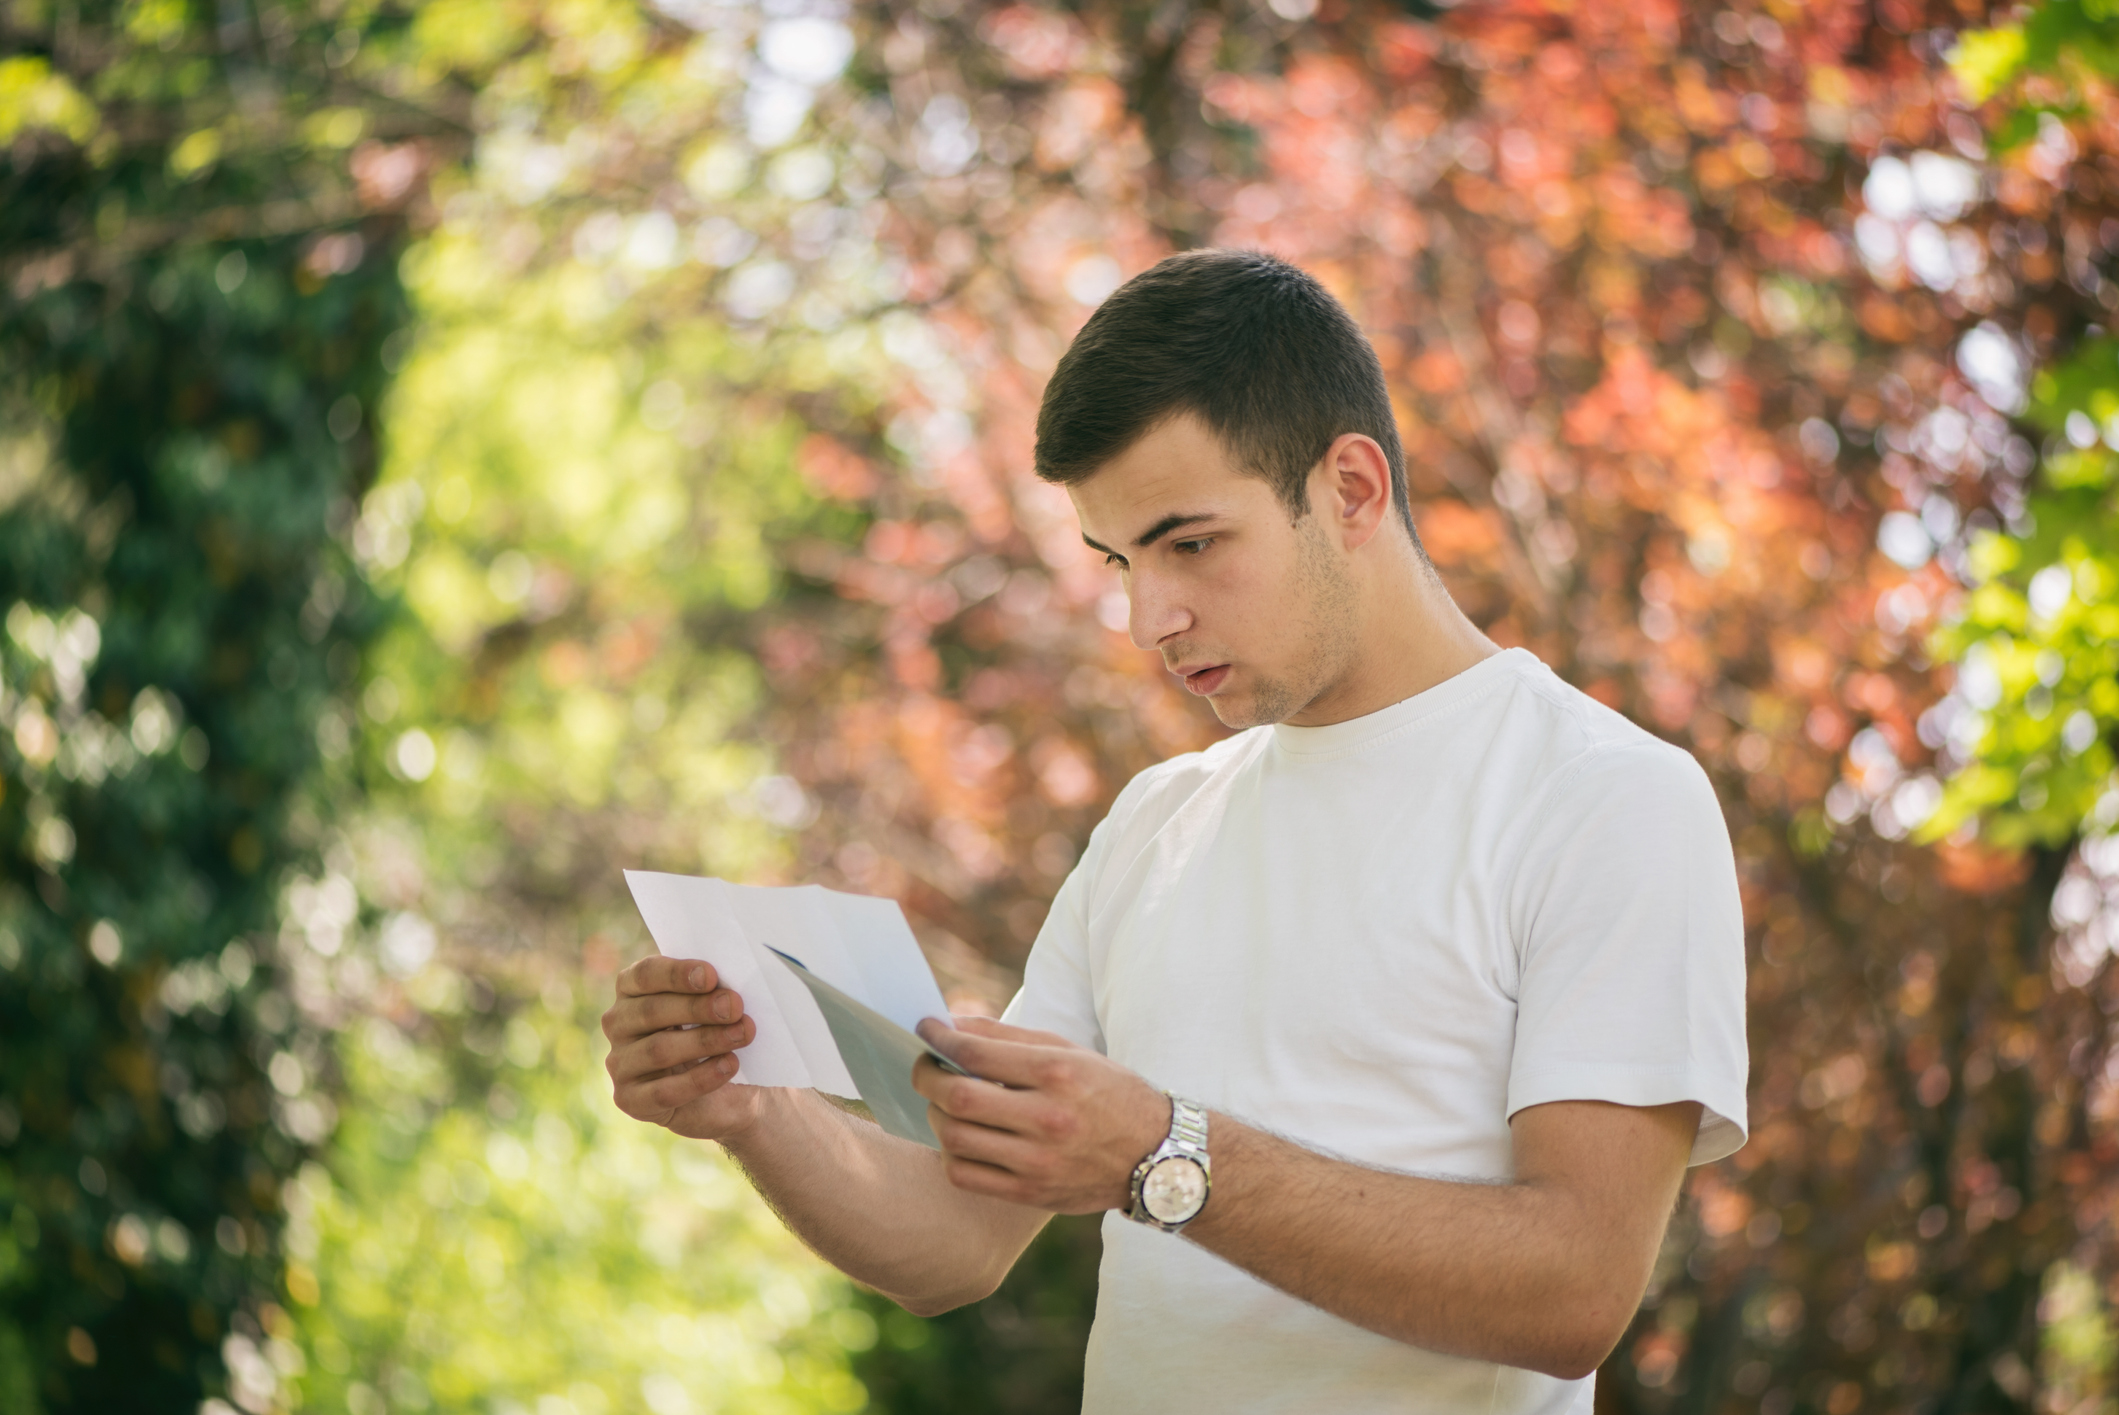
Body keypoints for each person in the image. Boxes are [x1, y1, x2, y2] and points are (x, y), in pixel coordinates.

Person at [600, 249, 1748, 1412]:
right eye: (1119, 560)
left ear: (1351, 489)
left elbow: (1575, 1290)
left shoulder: (1604, 798)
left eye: (1190, 543)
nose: (1150, 617)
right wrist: (751, 1105)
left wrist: (1163, 1155)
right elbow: (956, 1241)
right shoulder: (1157, 821)